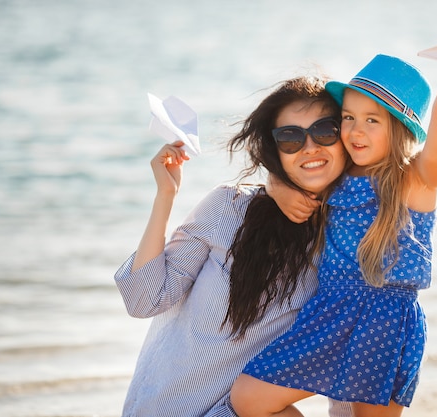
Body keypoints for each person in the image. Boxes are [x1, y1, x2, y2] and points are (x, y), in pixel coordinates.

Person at [230, 54, 437, 417]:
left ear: (400, 128)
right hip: (331, 312)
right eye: (348, 117)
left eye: (372, 120)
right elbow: (300, 167)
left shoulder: (411, 179)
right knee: (250, 398)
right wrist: (278, 187)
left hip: (386, 319)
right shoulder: (340, 174)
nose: (355, 130)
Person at [114, 75, 354, 417]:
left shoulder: (346, 241)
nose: (310, 147)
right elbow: (144, 299)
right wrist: (165, 196)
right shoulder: (228, 207)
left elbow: (344, 355)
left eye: (325, 131)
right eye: (290, 138)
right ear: (274, 152)